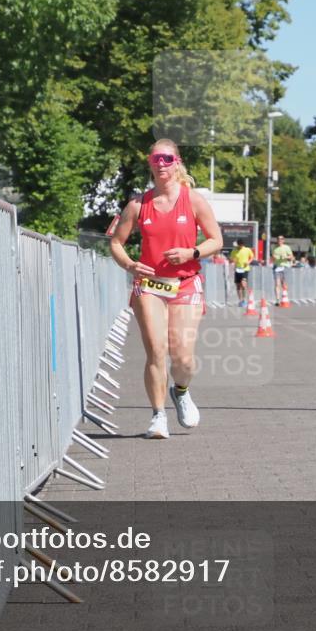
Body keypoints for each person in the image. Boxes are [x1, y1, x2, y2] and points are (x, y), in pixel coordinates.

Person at [109, 139, 222, 439]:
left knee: (183, 358)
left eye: (167, 159)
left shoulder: (193, 200)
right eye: (156, 158)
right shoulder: (138, 204)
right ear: (150, 163)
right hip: (149, 285)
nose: (161, 164)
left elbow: (216, 240)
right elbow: (116, 242)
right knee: (156, 350)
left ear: (177, 162)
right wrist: (130, 264)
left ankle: (181, 390)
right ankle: (158, 416)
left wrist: (191, 253)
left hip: (185, 283)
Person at [230, 238, 254, 306]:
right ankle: (240, 300)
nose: (240, 246)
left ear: (243, 244)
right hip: (237, 269)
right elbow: (231, 259)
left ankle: (244, 299)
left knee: (243, 284)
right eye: (239, 245)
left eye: (241, 245)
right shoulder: (234, 250)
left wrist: (248, 262)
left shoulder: (247, 249)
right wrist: (233, 260)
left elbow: (252, 257)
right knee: (238, 286)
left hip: (245, 269)